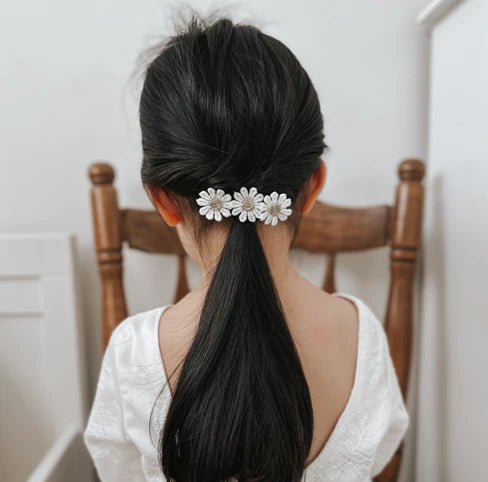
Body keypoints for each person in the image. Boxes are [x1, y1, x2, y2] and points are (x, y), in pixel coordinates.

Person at [84, 14, 408, 482]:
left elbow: (118, 472)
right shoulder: (362, 336)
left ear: (162, 201)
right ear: (313, 185)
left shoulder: (133, 351)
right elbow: (380, 457)